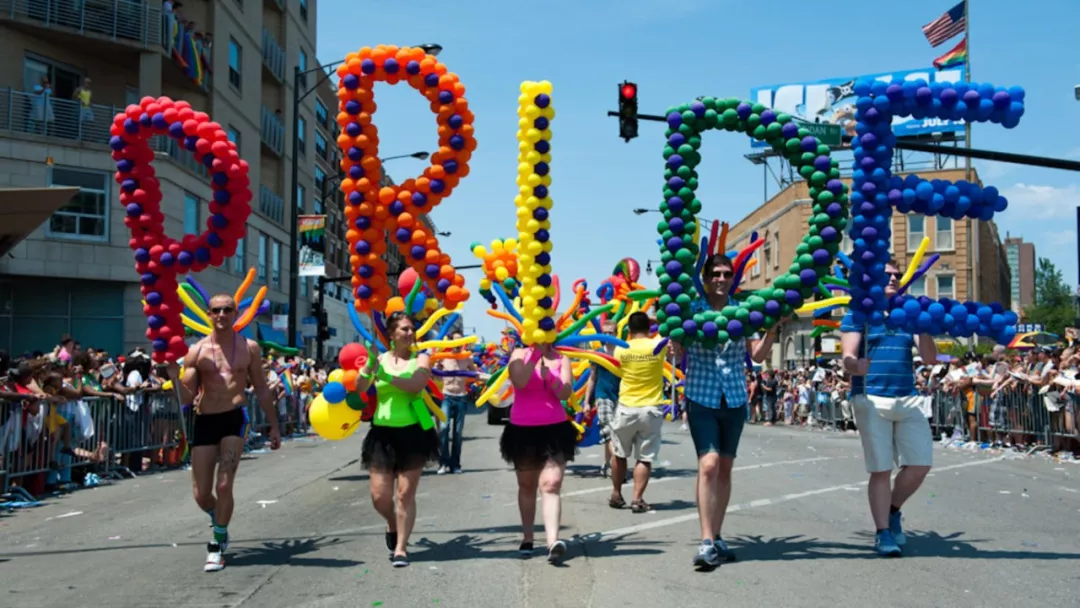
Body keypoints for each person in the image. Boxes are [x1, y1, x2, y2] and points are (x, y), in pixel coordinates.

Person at [672, 254, 782, 570]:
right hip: (701, 395)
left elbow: (756, 356)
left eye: (727, 273)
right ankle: (706, 540)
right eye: (716, 274)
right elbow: (679, 352)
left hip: (733, 398)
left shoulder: (742, 312)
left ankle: (717, 535)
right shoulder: (690, 310)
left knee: (725, 468)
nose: (721, 278)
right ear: (705, 279)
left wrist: (772, 332)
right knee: (708, 464)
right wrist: (676, 345)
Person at [169, 294, 281, 573]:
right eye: (216, 310)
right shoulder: (197, 351)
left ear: (235, 313)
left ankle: (217, 545)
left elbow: (262, 388)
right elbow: (186, 397)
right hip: (205, 419)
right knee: (202, 495)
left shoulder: (250, 347)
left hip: (235, 417)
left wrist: (274, 425)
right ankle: (219, 519)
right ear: (208, 314)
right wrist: (173, 375)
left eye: (227, 310)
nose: (222, 314)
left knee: (224, 485)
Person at [841, 259, 937, 557]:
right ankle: (883, 533)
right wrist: (855, 365)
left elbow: (931, 358)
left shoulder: (909, 313)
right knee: (881, 469)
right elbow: (847, 357)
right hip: (872, 398)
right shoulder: (861, 313)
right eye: (887, 275)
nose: (893, 279)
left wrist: (924, 328)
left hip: (907, 397)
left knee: (921, 464)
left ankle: (893, 509)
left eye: (896, 275)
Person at [357, 311, 439, 568]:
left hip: (413, 433)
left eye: (411, 328)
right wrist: (369, 367)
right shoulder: (380, 359)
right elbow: (360, 387)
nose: (410, 333)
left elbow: (416, 384)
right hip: (382, 434)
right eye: (404, 329)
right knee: (379, 497)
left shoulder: (421, 359)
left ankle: (401, 548)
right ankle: (392, 523)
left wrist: (385, 376)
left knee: (405, 494)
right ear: (391, 335)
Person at [501, 341, 576, 564]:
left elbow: (565, 393)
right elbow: (519, 381)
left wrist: (550, 378)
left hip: (555, 429)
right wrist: (535, 356)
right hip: (523, 430)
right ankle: (528, 536)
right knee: (526, 485)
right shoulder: (519, 354)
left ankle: (553, 542)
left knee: (551, 484)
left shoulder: (562, 359)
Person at [608, 312, 669, 513]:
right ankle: (637, 498)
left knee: (619, 454)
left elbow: (617, 370)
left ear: (630, 330)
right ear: (648, 327)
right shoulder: (657, 346)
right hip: (651, 408)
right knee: (644, 457)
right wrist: (657, 321)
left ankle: (616, 494)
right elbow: (667, 329)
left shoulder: (621, 349)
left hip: (626, 406)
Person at [435, 330, 484, 474]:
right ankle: (443, 462)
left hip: (461, 397)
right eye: (455, 341)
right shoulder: (444, 357)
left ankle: (455, 464)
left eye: (460, 342)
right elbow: (437, 377)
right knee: (443, 429)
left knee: (457, 433)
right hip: (447, 396)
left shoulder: (467, 358)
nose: (458, 345)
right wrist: (436, 370)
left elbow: (474, 374)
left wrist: (478, 377)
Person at [583, 320, 621, 477]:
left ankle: (608, 463)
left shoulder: (622, 352)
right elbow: (592, 378)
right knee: (608, 428)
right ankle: (618, 467)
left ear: (616, 333)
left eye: (611, 332)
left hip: (621, 396)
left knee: (615, 433)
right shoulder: (598, 353)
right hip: (602, 395)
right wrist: (586, 402)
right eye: (605, 333)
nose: (608, 335)